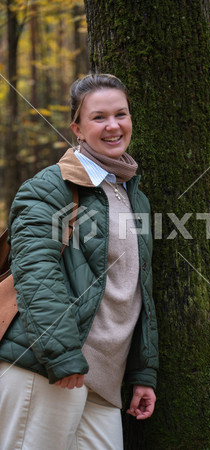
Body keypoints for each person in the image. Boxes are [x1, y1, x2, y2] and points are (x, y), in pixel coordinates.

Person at [0, 73, 159, 450]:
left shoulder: (133, 197)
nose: (113, 125)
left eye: (121, 114)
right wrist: (62, 355)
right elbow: (36, 274)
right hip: (44, 368)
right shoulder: (49, 187)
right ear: (78, 128)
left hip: (105, 379)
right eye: (99, 117)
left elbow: (136, 291)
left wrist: (142, 372)